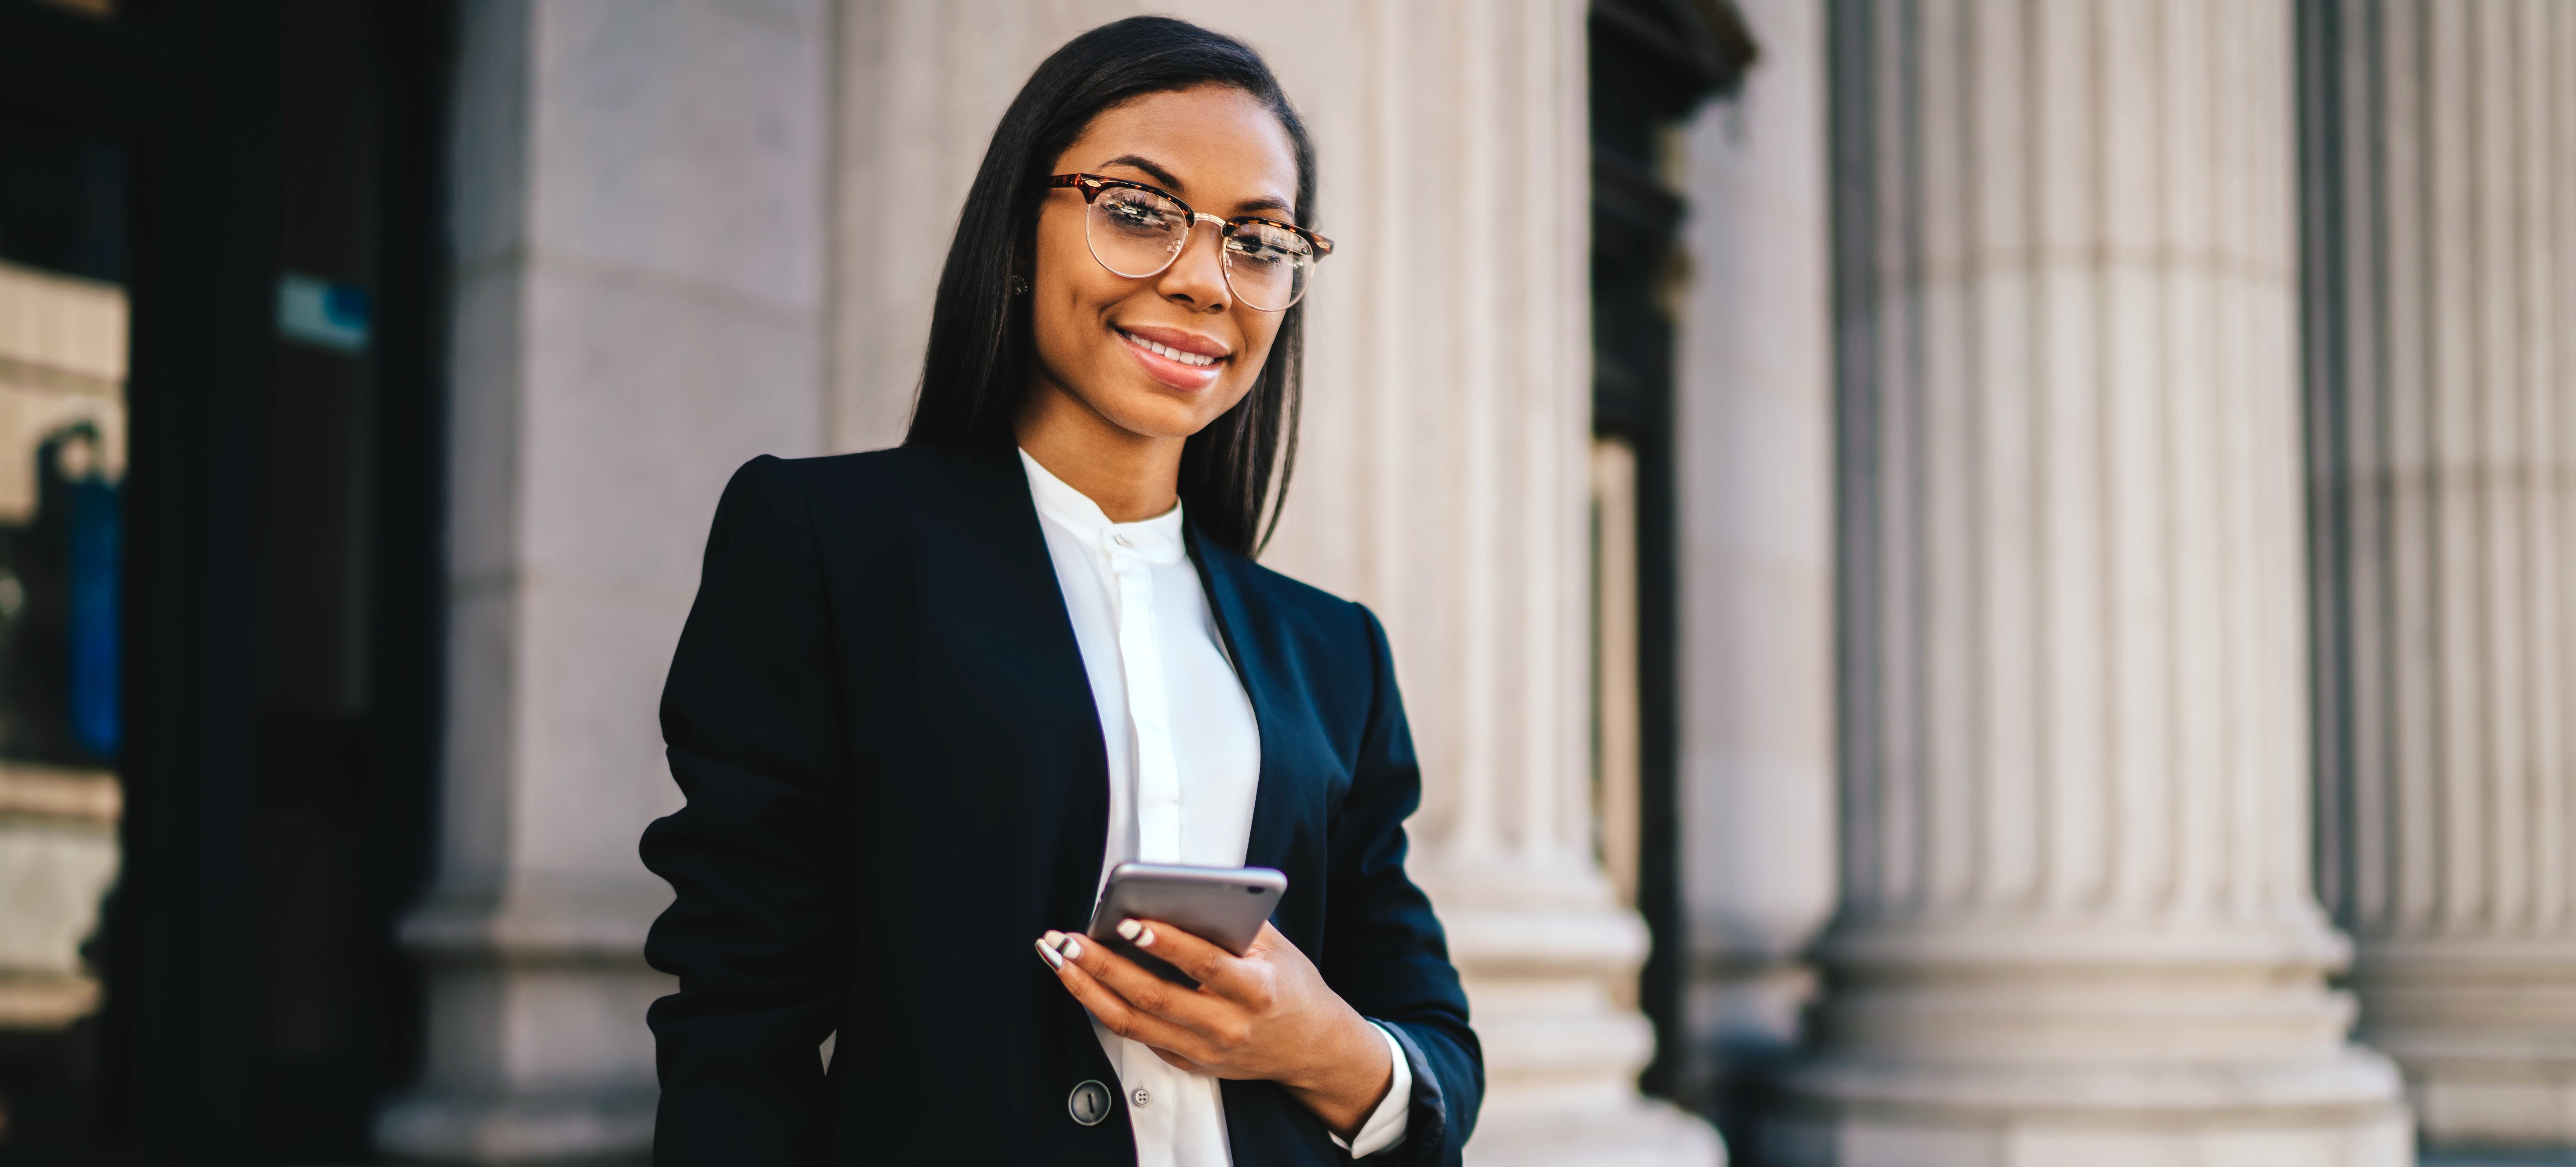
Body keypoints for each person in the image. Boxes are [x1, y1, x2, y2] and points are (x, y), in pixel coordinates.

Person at [638, 16, 1480, 1166]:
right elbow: (740, 1021)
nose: (1201, 280)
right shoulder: (829, 546)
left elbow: (1435, 1044)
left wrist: (1321, 1044)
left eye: (1259, 242)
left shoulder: (1333, 653)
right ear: (1021, 231)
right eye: (1137, 210)